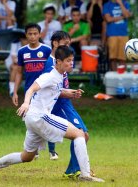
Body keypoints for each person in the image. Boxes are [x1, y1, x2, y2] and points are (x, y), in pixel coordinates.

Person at [0, 46, 104, 182]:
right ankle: (85, 175)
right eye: (68, 60)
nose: (71, 63)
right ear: (59, 61)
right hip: (39, 117)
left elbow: (54, 89)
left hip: (32, 119)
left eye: (72, 60)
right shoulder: (50, 75)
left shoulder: (59, 76)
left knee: (27, 156)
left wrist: (69, 93)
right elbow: (31, 88)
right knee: (79, 134)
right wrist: (26, 103)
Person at [44, 31, 92, 180]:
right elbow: (52, 91)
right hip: (59, 105)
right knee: (81, 135)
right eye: (65, 44)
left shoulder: (61, 59)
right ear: (55, 43)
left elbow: (61, 86)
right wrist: (68, 93)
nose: (68, 47)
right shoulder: (50, 64)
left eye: (69, 44)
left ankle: (73, 169)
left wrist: (71, 93)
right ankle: (74, 170)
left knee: (84, 136)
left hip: (66, 103)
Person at [12, 23, 51, 107]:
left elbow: (53, 71)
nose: (32, 36)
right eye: (30, 34)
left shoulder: (47, 50)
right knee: (30, 116)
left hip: (45, 89)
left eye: (35, 34)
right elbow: (19, 72)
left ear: (39, 35)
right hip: (29, 90)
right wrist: (15, 92)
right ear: (26, 35)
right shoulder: (21, 51)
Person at [103, 0, 132, 71]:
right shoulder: (107, 5)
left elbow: (127, 15)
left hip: (123, 34)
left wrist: (120, 3)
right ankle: (114, 77)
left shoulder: (125, 3)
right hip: (112, 34)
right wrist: (122, 17)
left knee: (123, 58)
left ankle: (122, 76)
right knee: (113, 58)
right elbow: (108, 19)